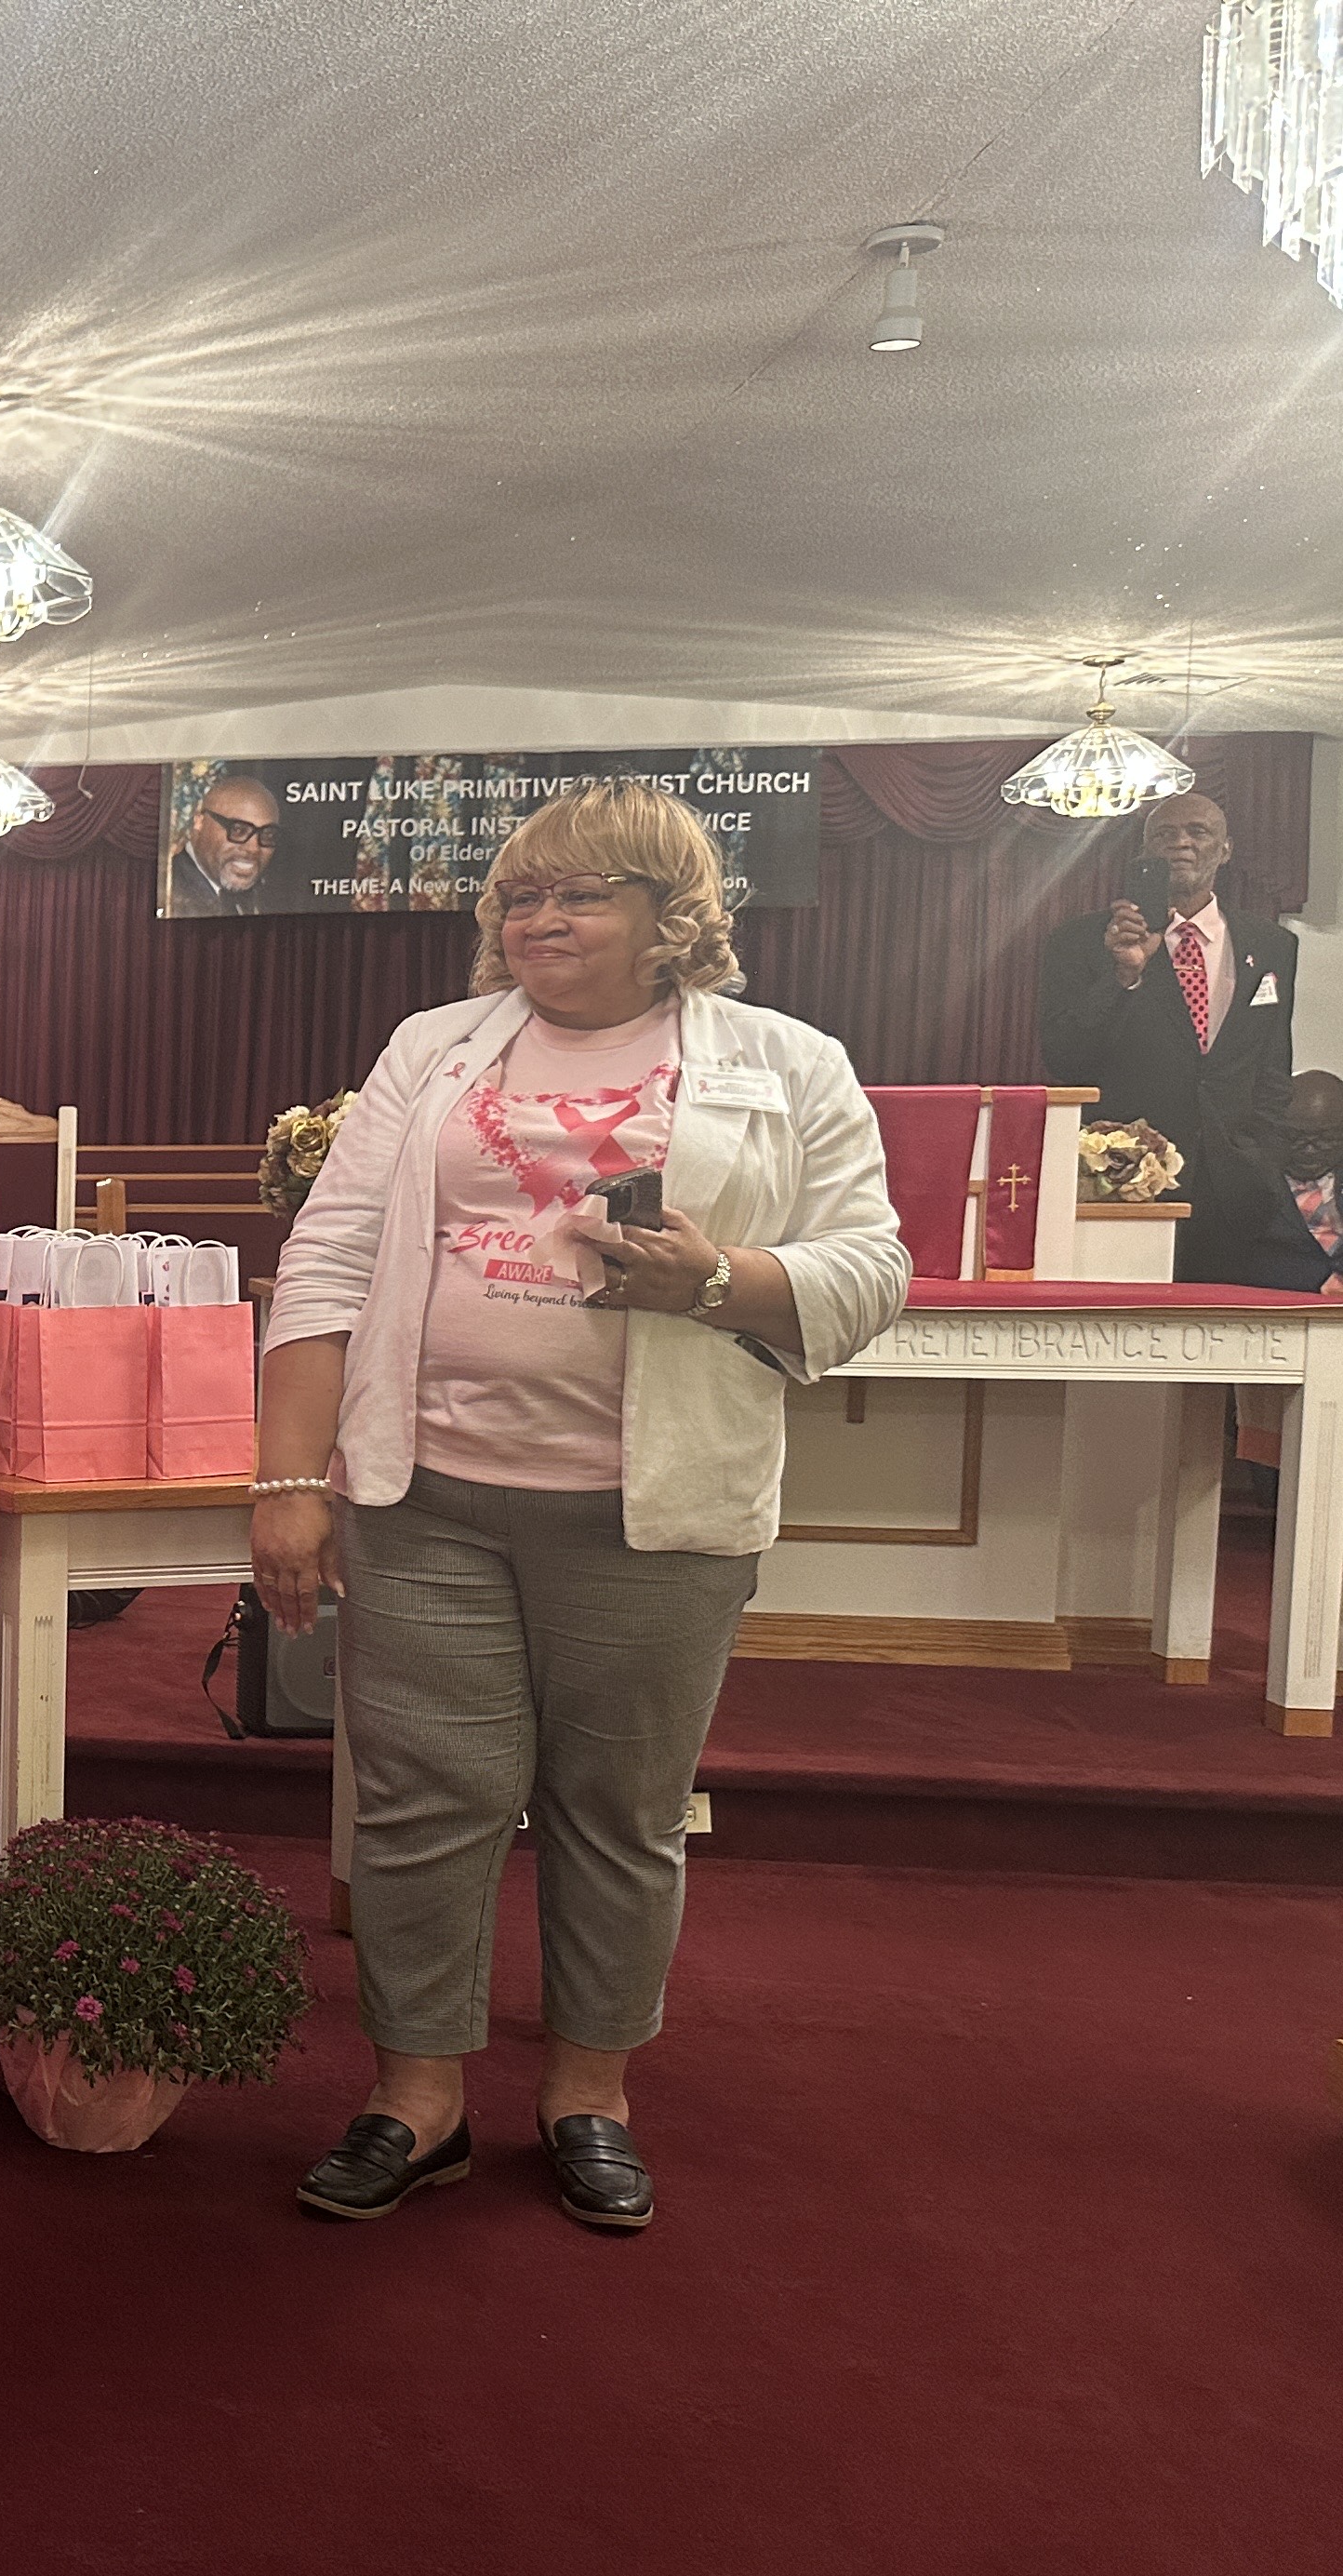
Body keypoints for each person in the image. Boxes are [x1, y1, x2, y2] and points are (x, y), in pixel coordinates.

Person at [249, 781, 909, 2234]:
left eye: (582, 894)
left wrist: (720, 1282)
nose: (538, 920)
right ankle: (416, 2099)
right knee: (426, 1801)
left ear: (670, 920)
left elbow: (872, 1270)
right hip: (426, 1494)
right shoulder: (434, 1050)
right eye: (521, 897)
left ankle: (587, 2096)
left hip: (653, 1511)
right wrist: (295, 1482)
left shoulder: (787, 1064)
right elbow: (330, 1260)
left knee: (618, 1810)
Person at [1034, 794, 1296, 1282]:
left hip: (1235, 1187)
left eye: (1198, 832)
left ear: (1225, 850)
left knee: (1225, 1335)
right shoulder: (1080, 942)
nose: (1181, 843)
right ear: (1144, 855)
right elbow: (1064, 1059)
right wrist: (1122, 975)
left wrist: (1261, 1153)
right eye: (1164, 835)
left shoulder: (1272, 945)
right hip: (1121, 1179)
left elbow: (1272, 1064)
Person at [1218, 1070, 1343, 1295]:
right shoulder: (1247, 1179)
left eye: (1326, 1139)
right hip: (1277, 1304)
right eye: (1296, 1138)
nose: (1310, 1150)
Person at [168, 772, 284, 915]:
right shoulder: (169, 889)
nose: (254, 849)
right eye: (238, 830)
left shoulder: (266, 898)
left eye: (268, 835)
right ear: (199, 822)